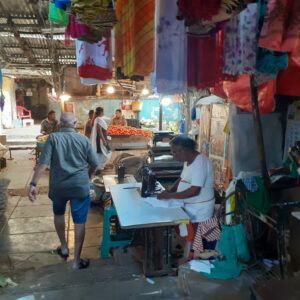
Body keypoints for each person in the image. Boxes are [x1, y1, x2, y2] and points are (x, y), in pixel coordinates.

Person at [28, 112, 99, 270]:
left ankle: (64, 247)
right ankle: (76, 262)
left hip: (58, 187)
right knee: (79, 222)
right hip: (79, 186)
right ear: (75, 123)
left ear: (60, 124)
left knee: (58, 214)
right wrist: (89, 175)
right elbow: (95, 163)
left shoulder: (53, 138)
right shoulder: (83, 139)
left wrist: (33, 184)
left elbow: (43, 163)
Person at [158, 135, 215, 257]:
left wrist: (170, 195)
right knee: (190, 237)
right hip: (190, 206)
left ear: (183, 150)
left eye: (174, 152)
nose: (173, 155)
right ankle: (189, 259)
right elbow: (182, 179)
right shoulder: (188, 161)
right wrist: (169, 190)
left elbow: (194, 191)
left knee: (199, 241)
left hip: (201, 210)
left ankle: (195, 265)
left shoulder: (200, 162)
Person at [90, 107, 111, 171]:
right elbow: (99, 131)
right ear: (101, 112)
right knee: (105, 152)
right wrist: (104, 140)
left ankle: (100, 166)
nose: (104, 113)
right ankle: (99, 167)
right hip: (100, 140)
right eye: (103, 111)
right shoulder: (99, 119)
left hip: (102, 138)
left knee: (102, 153)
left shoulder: (98, 119)